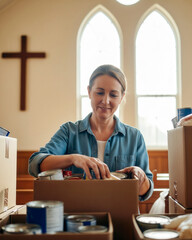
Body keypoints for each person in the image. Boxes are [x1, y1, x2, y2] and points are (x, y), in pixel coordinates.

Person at [29, 64, 153, 201]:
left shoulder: (134, 137)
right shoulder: (69, 131)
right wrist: (74, 158)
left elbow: (144, 193)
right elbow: (35, 164)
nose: (105, 101)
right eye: (99, 93)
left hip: (120, 217)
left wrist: (141, 177)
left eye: (113, 95)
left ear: (122, 97)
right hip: (76, 218)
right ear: (89, 92)